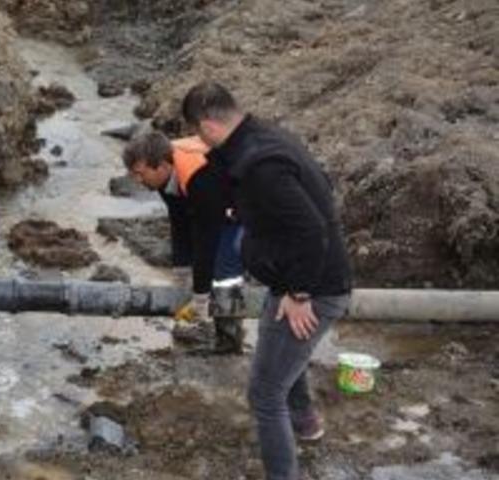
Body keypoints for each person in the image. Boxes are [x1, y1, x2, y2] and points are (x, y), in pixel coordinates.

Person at [182, 81, 352, 480]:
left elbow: (312, 230)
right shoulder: (263, 138)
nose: (196, 141)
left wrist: (299, 292)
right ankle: (306, 423)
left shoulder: (260, 165)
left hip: (315, 288)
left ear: (207, 126)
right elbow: (320, 189)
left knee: (264, 392)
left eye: (195, 131)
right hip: (295, 281)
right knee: (278, 359)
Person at [122, 132, 245, 353]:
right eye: (133, 176)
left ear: (161, 166)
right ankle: (220, 329)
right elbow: (179, 221)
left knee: (224, 273)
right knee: (204, 264)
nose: (137, 182)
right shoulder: (164, 172)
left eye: (140, 175)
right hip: (214, 201)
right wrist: (181, 271)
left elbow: (207, 238)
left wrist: (200, 296)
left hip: (240, 204)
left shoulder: (198, 176)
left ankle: (229, 341)